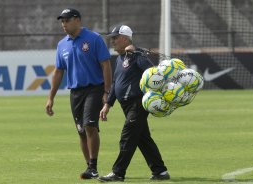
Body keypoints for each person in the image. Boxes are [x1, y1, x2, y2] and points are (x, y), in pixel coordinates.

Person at [45, 8, 112, 180]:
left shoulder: (94, 39)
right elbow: (59, 72)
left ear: (77, 20)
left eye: (67, 20)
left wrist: (106, 91)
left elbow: (106, 65)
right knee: (81, 131)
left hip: (94, 89)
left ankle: (93, 166)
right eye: (62, 21)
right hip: (75, 92)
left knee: (90, 125)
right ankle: (90, 167)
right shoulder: (62, 45)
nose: (64, 24)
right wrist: (50, 98)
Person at [97, 25, 170, 182]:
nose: (113, 41)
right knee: (143, 139)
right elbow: (117, 83)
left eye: (115, 38)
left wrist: (136, 52)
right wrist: (107, 104)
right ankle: (160, 172)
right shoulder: (119, 59)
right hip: (126, 105)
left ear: (125, 38)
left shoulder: (137, 56)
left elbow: (153, 74)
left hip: (138, 103)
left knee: (127, 137)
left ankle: (118, 172)